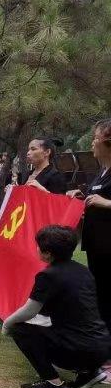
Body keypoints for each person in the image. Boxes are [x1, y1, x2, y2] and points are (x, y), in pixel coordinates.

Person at [2, 226, 111, 388]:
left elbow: (29, 311)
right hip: (102, 348)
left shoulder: (48, 275)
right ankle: (89, 373)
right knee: (69, 330)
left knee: (20, 328)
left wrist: (7, 323)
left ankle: (53, 383)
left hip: (79, 350)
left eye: (38, 246)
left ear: (47, 253)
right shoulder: (83, 271)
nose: (36, 248)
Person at [68, 120, 111, 332]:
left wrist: (107, 203)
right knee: (101, 295)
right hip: (97, 245)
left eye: (96, 138)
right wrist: (82, 197)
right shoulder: (102, 171)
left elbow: (103, 201)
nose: (92, 143)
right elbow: (96, 198)